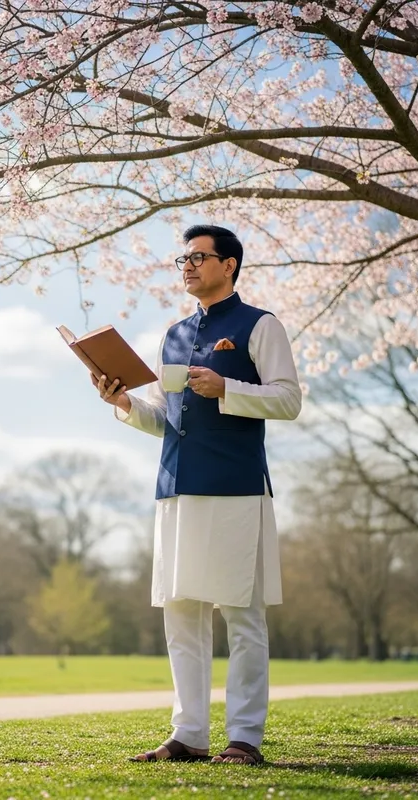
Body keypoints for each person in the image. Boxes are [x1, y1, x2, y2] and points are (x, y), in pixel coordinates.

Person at [93, 224, 301, 766]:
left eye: (198, 256)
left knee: (242, 616)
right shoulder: (174, 335)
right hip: (174, 491)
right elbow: (167, 419)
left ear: (229, 264)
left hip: (235, 488)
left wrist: (227, 387)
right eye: (182, 258)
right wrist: (124, 404)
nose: (186, 265)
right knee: (181, 615)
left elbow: (288, 401)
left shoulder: (261, 325)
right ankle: (187, 736)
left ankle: (244, 740)